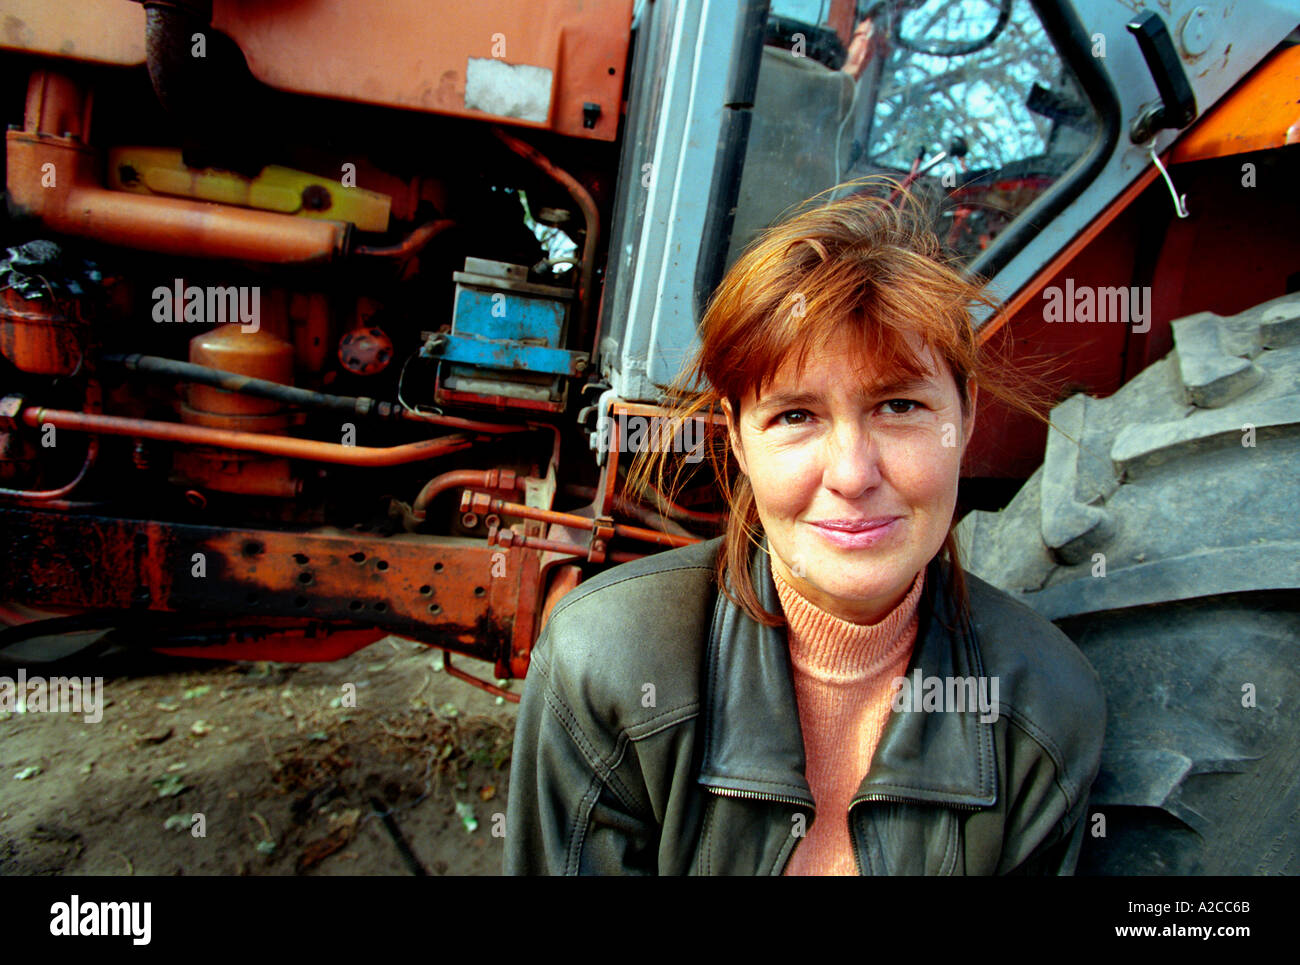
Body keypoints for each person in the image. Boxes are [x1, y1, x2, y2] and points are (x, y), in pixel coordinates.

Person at [503, 186, 1105, 875]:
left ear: (964, 417)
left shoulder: (1046, 713)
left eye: (899, 405)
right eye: (795, 415)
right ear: (736, 437)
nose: (852, 473)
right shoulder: (606, 667)